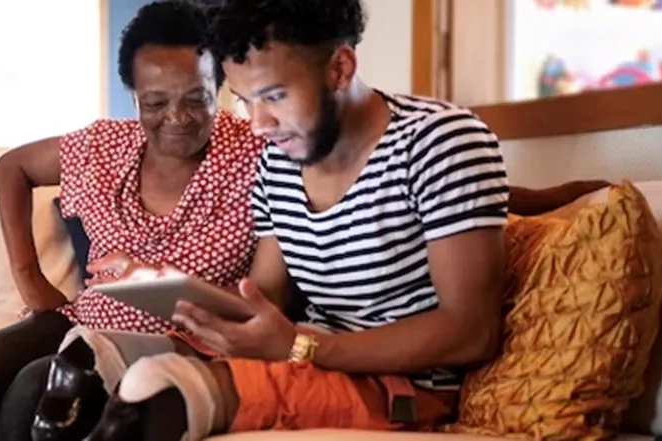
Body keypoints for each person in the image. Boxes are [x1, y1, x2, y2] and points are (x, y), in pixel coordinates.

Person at [78, 1, 609, 440]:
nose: (258, 125)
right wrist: (167, 287)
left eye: (275, 96)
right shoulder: (279, 162)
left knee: (156, 389)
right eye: (243, 101)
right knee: (85, 360)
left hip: (403, 384)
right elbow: (267, 291)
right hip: (311, 351)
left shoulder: (441, 141)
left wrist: (299, 347)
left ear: (340, 68)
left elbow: (470, 332)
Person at [0, 2, 268, 440]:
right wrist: (28, 276)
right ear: (133, 94)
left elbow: (266, 294)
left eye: (196, 98)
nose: (177, 117)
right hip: (85, 322)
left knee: (35, 389)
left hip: (186, 342)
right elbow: (12, 167)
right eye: (155, 102)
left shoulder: (255, 154)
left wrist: (165, 287)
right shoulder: (105, 146)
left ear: (219, 87)